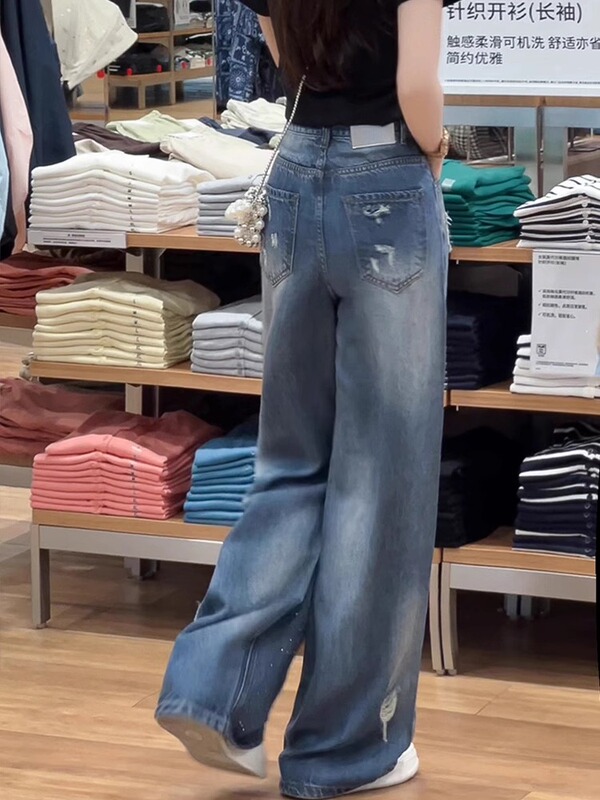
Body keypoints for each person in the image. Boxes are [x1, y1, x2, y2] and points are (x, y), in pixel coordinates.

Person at [156, 1, 458, 797]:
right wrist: (436, 151)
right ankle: (342, 750)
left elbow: (281, 47)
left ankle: (212, 690)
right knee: (379, 481)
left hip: (292, 172)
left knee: (290, 460)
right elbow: (416, 82)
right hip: (387, 173)